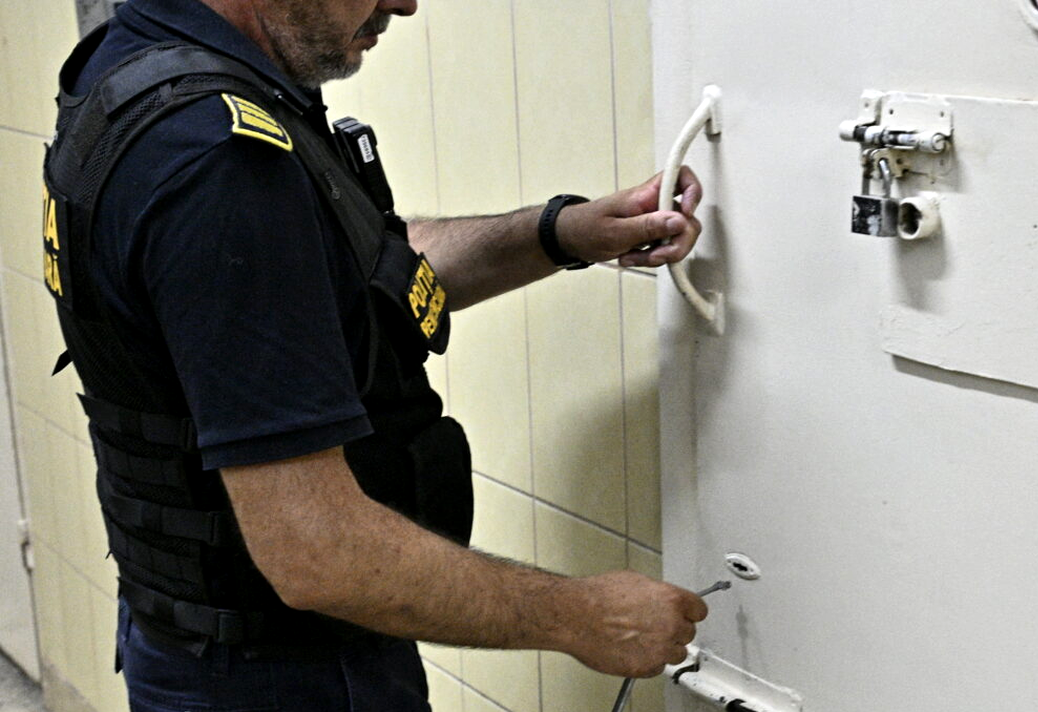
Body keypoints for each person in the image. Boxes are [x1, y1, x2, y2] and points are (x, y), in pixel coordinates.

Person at [42, 0, 707, 709]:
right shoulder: (215, 158)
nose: (403, 3)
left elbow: (347, 273)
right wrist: (582, 616)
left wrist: (560, 234)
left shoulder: (140, 62)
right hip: (282, 679)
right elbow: (317, 551)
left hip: (206, 643)